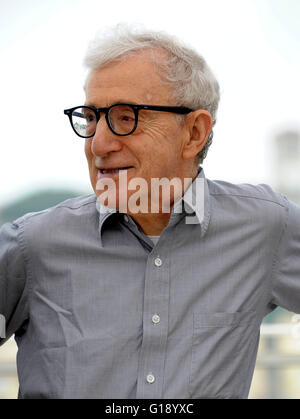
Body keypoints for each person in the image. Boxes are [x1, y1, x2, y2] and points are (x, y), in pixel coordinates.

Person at [0, 25, 300, 400]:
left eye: (126, 118)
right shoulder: (32, 245)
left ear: (194, 133)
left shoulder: (268, 227)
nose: (99, 144)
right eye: (91, 118)